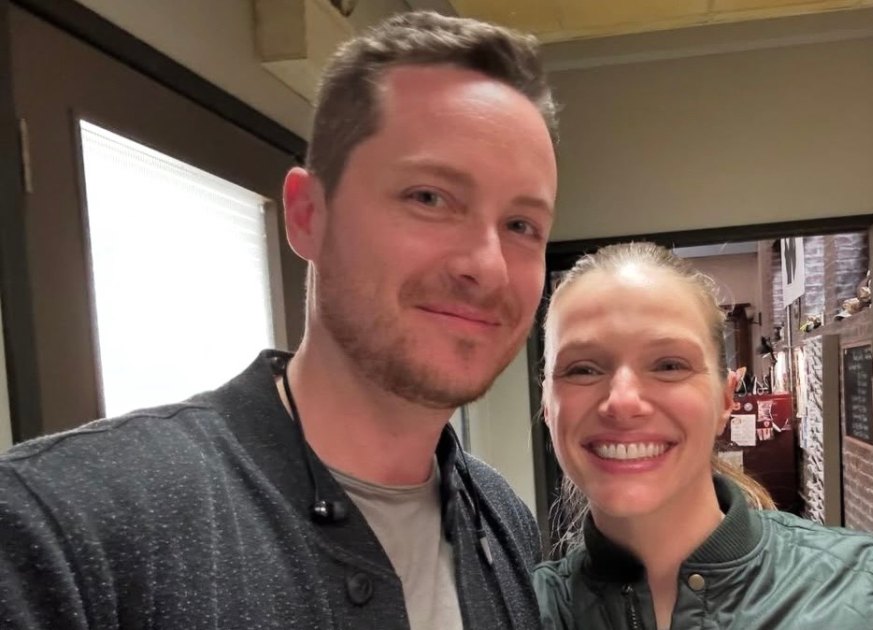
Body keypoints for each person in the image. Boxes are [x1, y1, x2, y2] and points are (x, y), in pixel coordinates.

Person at [0, 11, 557, 630]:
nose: (487, 267)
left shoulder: (501, 518)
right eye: (429, 197)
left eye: (521, 225)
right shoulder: (64, 532)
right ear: (307, 214)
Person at [534, 242, 873, 629]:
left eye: (669, 365)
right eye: (583, 369)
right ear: (548, 406)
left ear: (725, 400)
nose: (623, 401)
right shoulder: (519, 612)